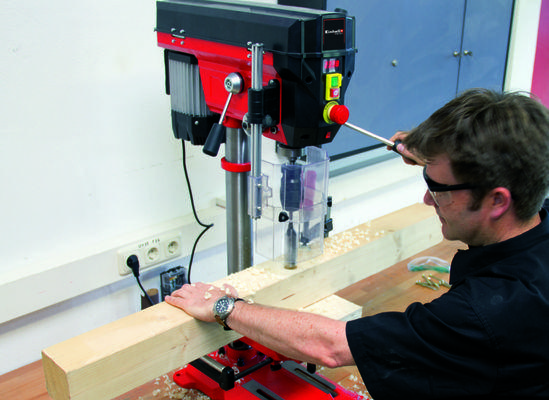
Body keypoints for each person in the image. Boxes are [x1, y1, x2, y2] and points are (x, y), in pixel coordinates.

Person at [166, 89, 549, 399]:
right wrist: (432, 156)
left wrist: (225, 307)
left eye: (438, 189)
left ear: (497, 201)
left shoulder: (485, 313)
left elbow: (332, 347)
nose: (427, 200)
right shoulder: (535, 215)